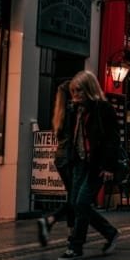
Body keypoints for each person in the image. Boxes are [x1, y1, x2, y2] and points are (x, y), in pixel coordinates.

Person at [57, 70, 120, 260]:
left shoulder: (103, 110)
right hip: (78, 163)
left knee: (82, 203)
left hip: (96, 165)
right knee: (77, 204)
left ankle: (75, 246)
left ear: (89, 90)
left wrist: (108, 166)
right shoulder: (74, 110)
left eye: (80, 91)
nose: (76, 96)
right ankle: (109, 233)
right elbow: (68, 135)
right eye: (74, 91)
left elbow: (112, 139)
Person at [37, 80, 75, 247]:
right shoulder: (71, 111)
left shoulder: (59, 113)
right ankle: (51, 221)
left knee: (72, 195)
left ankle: (71, 231)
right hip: (70, 157)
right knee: (75, 197)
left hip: (60, 157)